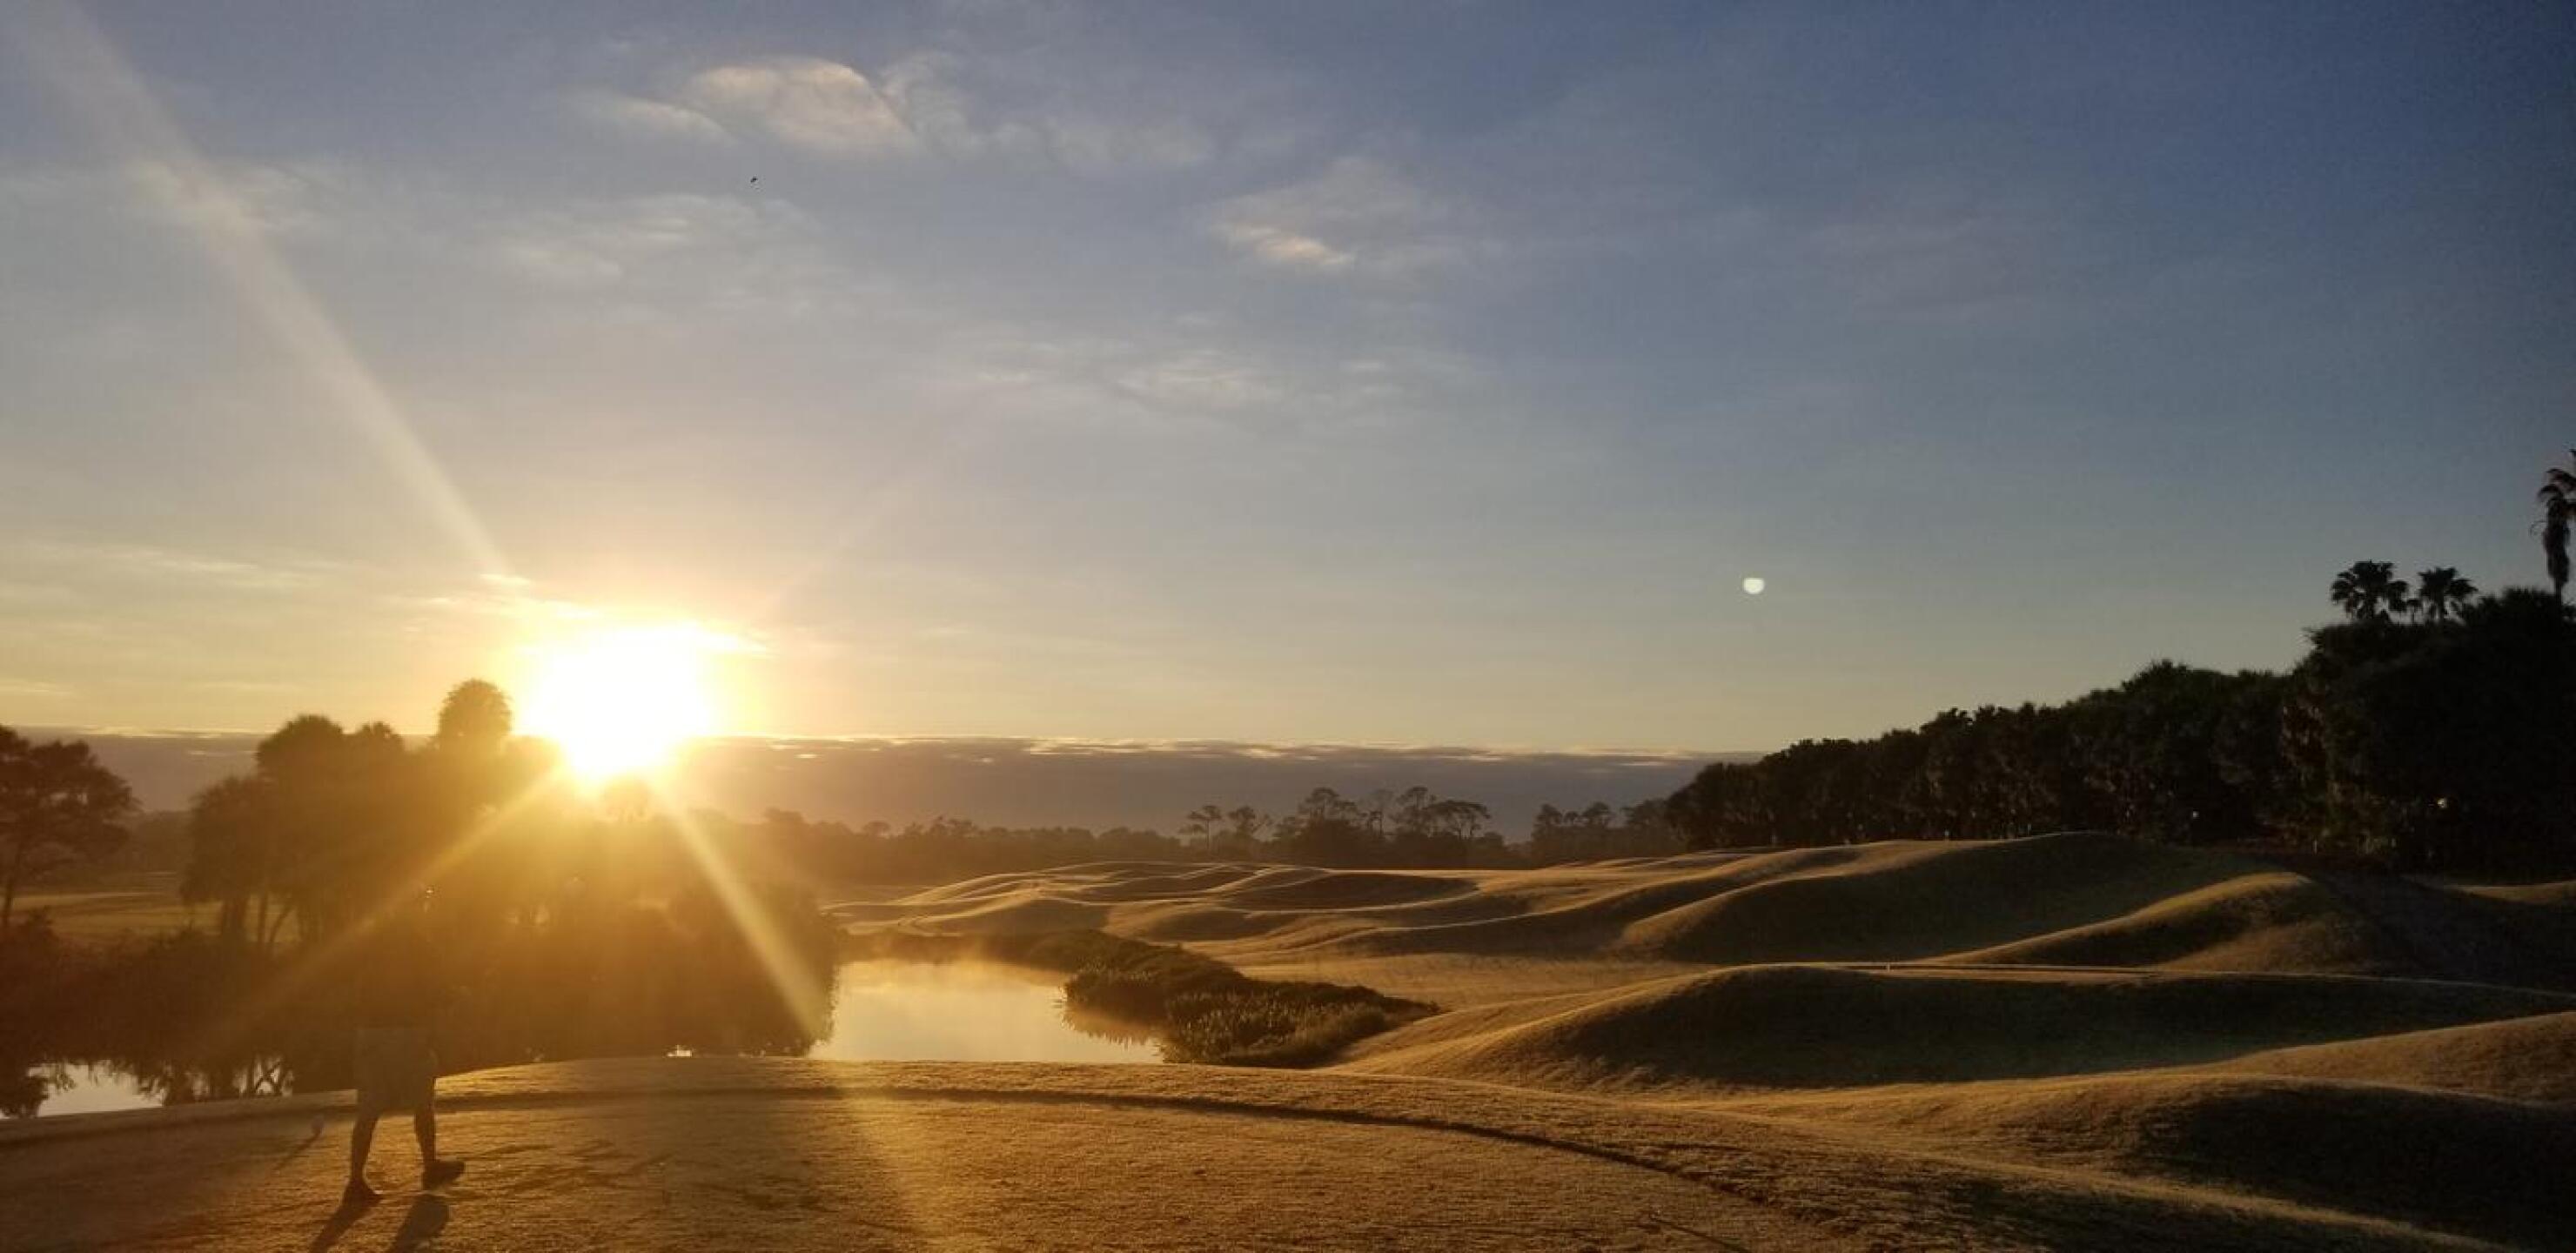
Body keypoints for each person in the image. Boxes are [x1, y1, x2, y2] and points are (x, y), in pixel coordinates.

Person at [343, 908, 464, 1207]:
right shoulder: (418, 945)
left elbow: (352, 984)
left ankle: (355, 1181)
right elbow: (438, 991)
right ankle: (431, 1166)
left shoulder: (370, 943)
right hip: (407, 1032)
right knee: (423, 1101)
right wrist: (456, 996)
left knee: (368, 1110)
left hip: (369, 1033)